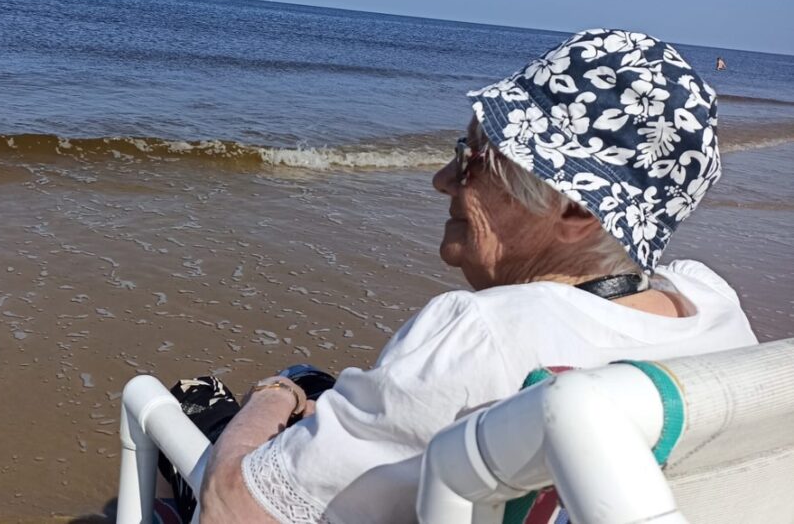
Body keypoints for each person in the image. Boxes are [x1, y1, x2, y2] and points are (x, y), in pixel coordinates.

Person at [188, 29, 758, 523]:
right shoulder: (712, 307)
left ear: (575, 210)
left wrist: (275, 394)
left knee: (201, 408)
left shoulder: (483, 337)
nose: (442, 179)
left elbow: (233, 509)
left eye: (473, 159)